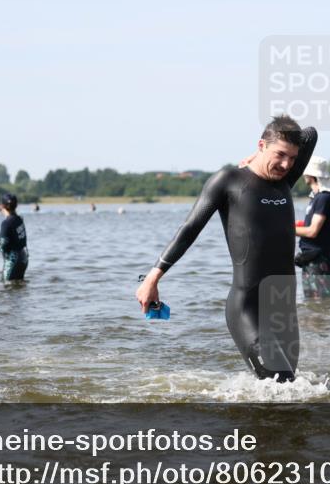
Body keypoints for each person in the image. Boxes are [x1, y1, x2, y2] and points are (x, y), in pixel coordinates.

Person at [136, 116, 317, 382]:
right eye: (279, 154)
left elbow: (311, 134)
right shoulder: (229, 180)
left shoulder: (284, 180)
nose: (286, 164)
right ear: (261, 145)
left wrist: (269, 153)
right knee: (282, 383)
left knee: (285, 395)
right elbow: (189, 229)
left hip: (283, 308)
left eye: (292, 158)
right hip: (248, 307)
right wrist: (152, 278)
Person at [295, 156, 330, 299]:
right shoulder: (316, 198)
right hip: (310, 258)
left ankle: (320, 322)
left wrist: (284, 229)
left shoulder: (324, 198)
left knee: (318, 302)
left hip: (319, 260)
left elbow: (313, 231)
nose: (303, 175)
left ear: (311, 175)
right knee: (311, 302)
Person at [0, 193, 29, 282]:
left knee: (7, 288)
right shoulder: (19, 219)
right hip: (23, 258)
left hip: (13, 261)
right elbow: (12, 243)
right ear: (16, 205)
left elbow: (4, 248)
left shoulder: (6, 223)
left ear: (2, 206)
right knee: (19, 289)